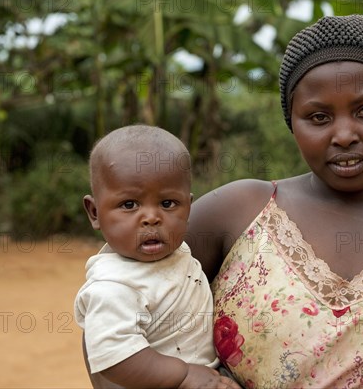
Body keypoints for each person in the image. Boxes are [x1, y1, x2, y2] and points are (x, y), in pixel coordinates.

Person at [188, 15, 363, 388]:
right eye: (318, 117)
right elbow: (119, 301)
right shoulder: (240, 210)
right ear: (293, 124)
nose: (343, 135)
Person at [74, 125, 241, 388]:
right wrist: (185, 376)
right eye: (129, 205)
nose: (152, 218)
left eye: (167, 204)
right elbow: (115, 358)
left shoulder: (178, 253)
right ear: (94, 213)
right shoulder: (113, 287)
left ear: (188, 207)